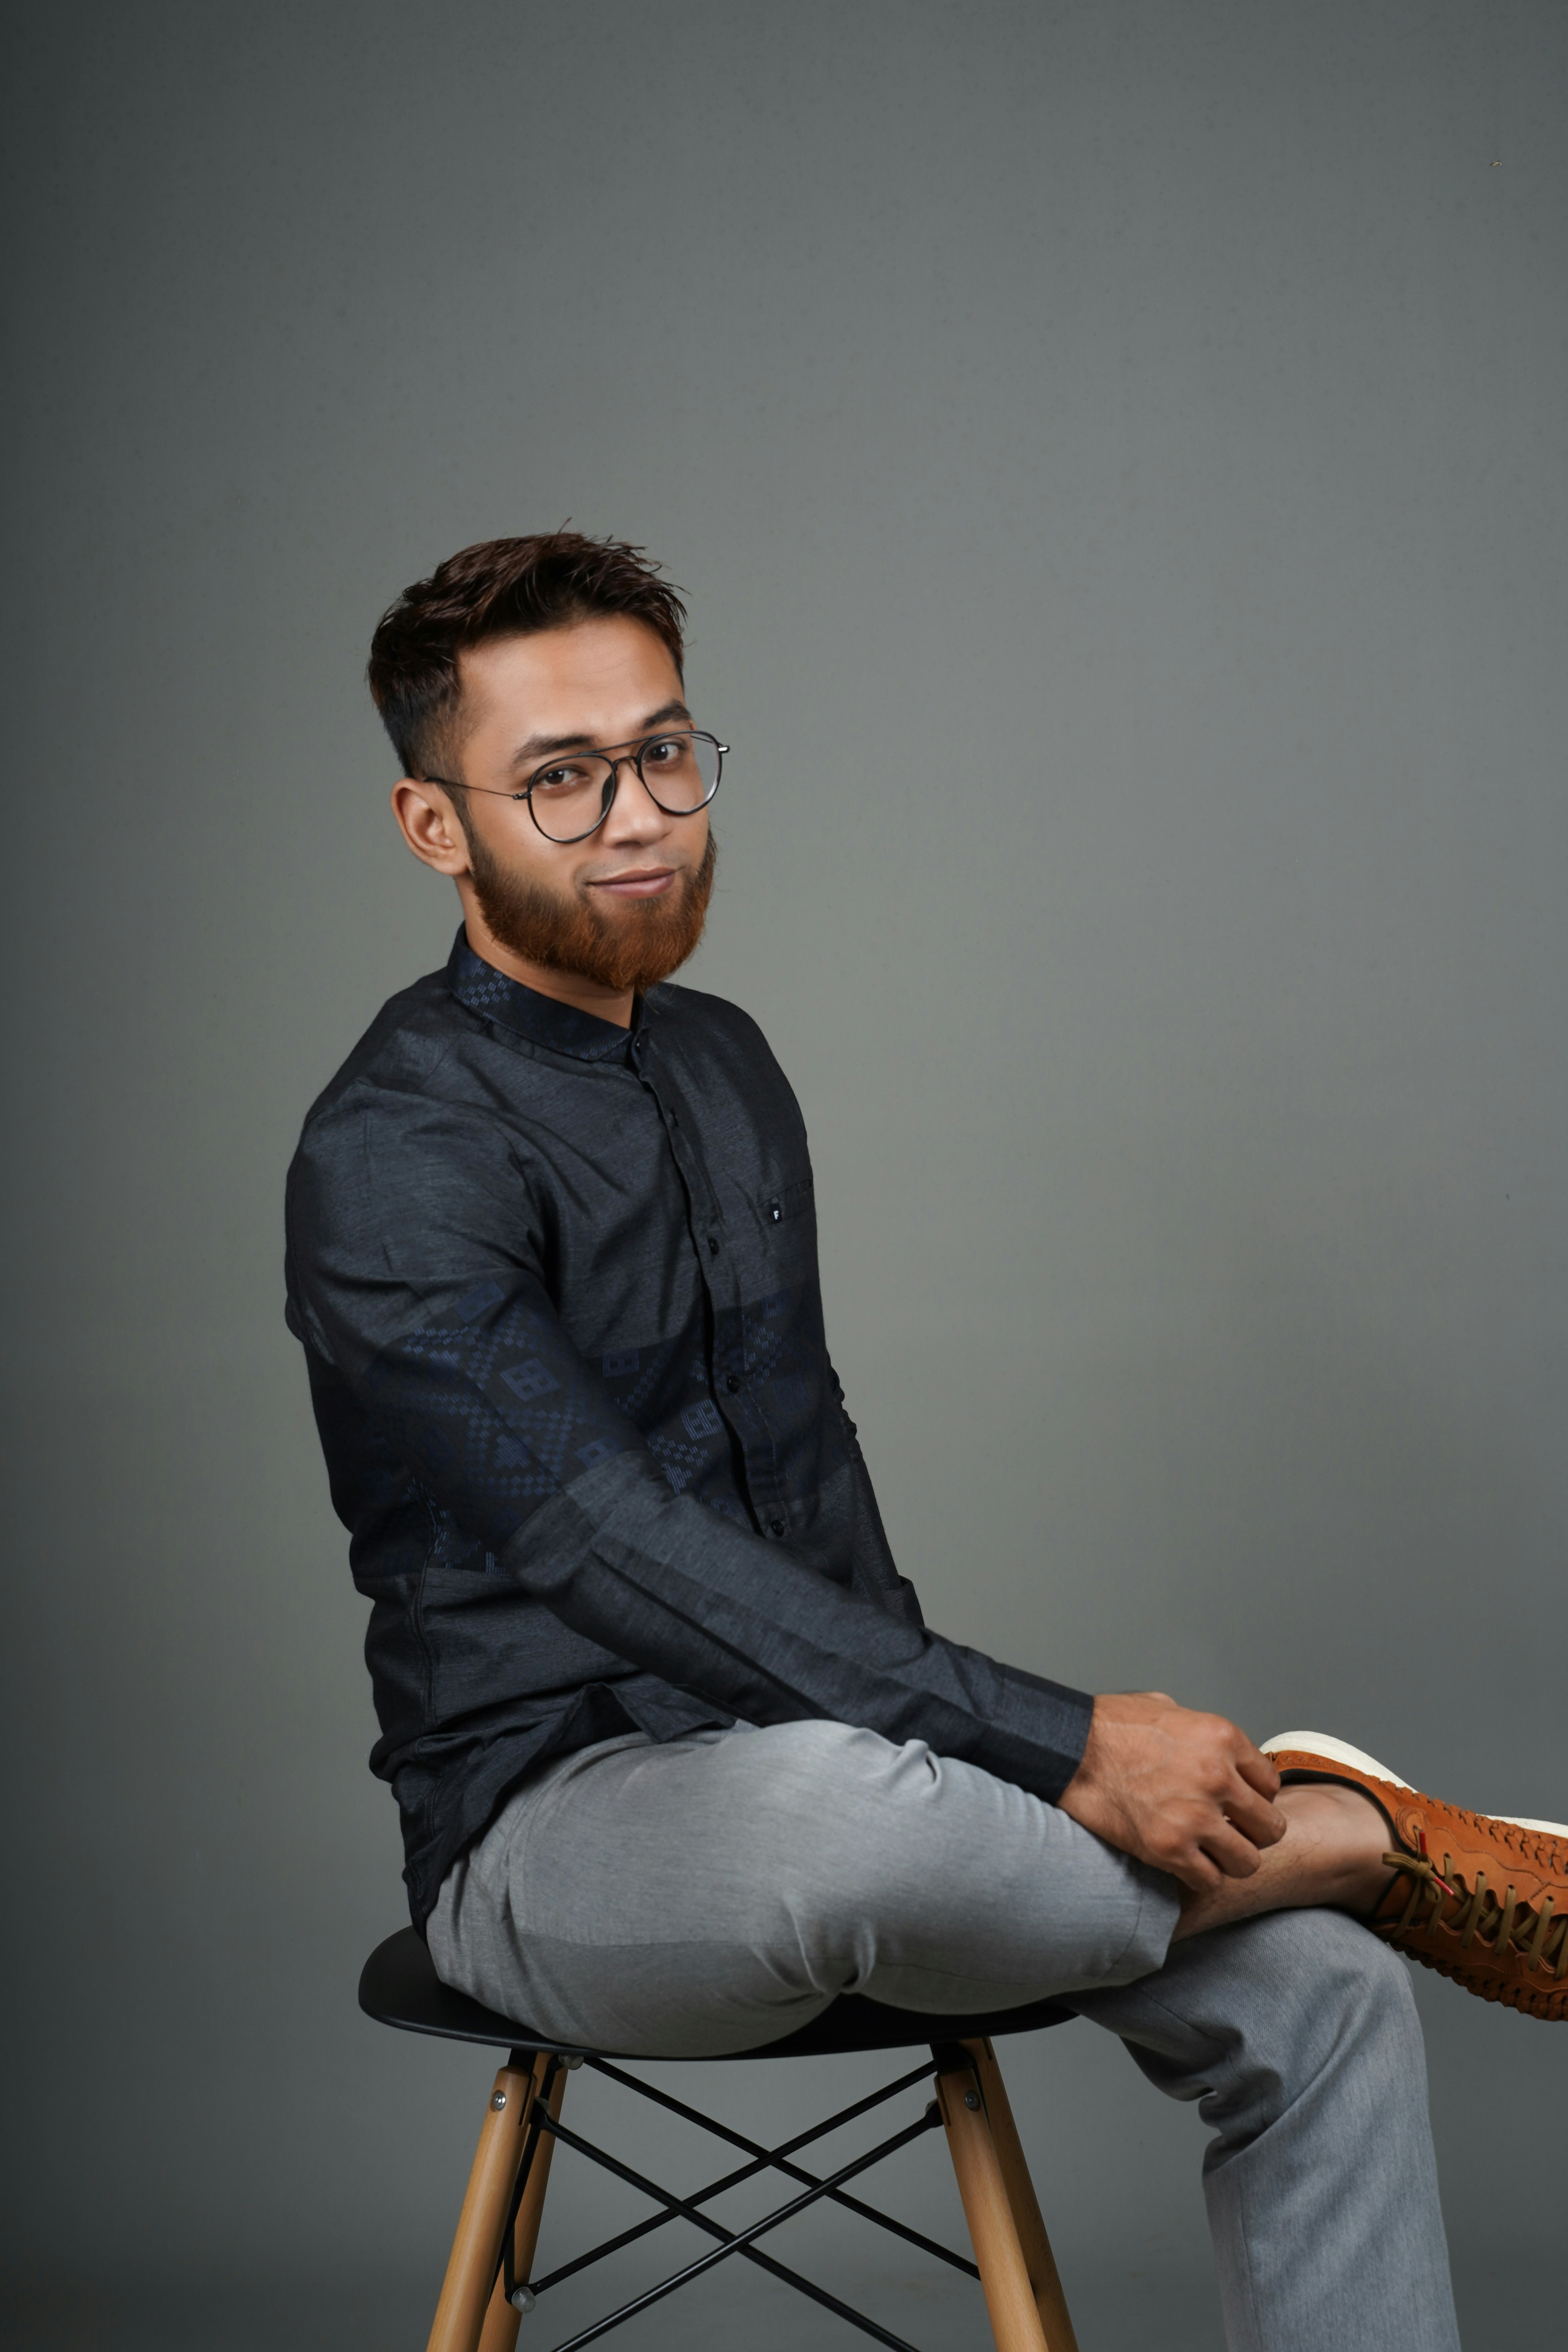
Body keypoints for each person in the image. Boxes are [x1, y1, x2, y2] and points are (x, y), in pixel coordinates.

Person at [285, 532, 1565, 2352]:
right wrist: (1050, 1748)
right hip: (556, 1834)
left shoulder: (725, 1064)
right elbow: (604, 1542)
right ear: (437, 827)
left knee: (1327, 1992)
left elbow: (812, 1488)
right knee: (847, 1827)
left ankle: (1317, 1882)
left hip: (842, 1758)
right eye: (559, 780)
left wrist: (983, 1767)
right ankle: (1360, 1829)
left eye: (662, 752)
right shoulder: (392, 1153)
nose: (639, 814)